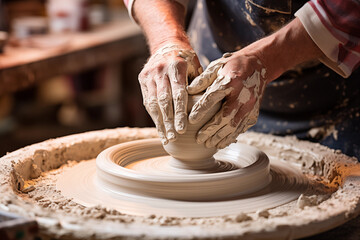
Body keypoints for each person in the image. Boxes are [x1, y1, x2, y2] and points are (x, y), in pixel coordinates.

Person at [123, 0, 360, 159]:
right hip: (214, 63)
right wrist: (167, 41)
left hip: (333, 99)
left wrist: (264, 60)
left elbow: (348, 8)